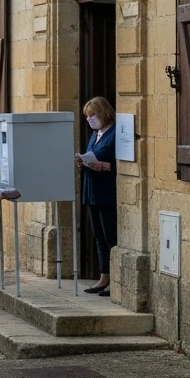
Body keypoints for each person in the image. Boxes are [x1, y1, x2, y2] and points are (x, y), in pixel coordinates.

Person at [77, 96, 117, 297]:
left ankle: (116, 279)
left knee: (110, 236)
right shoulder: (95, 134)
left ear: (103, 112)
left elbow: (123, 163)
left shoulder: (115, 133)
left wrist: (105, 166)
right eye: (87, 116)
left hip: (106, 191)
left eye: (92, 115)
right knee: (99, 236)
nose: (89, 119)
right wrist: (82, 162)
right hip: (91, 190)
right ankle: (104, 276)